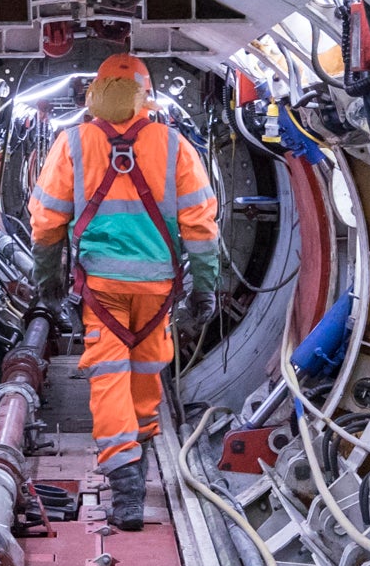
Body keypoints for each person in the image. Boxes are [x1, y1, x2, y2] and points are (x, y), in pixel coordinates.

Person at [27, 52, 224, 530]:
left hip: (102, 290)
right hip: (158, 289)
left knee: (109, 375)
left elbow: (46, 221)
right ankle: (141, 452)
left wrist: (48, 278)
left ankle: (126, 480)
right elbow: (200, 225)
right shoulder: (175, 147)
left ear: (95, 93)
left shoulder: (72, 143)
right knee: (145, 371)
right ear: (147, 96)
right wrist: (205, 287)